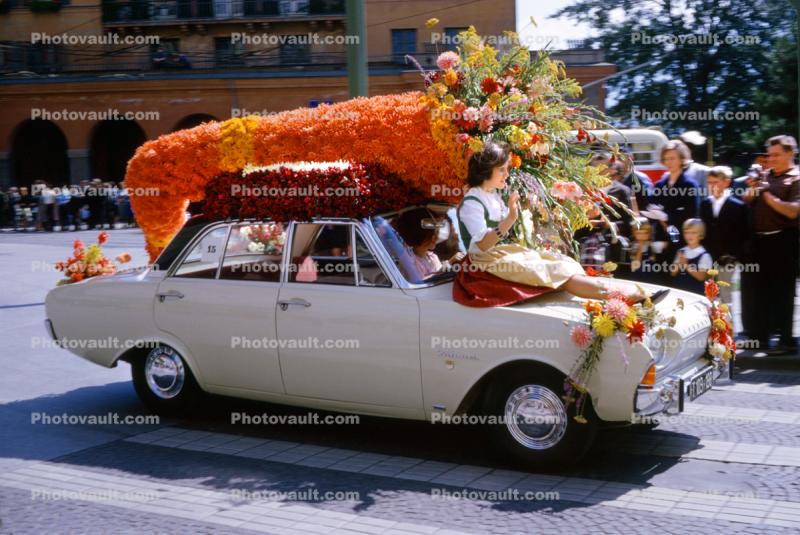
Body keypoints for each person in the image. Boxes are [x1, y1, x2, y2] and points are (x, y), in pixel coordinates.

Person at [456, 142, 668, 303]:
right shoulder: (472, 202)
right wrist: (510, 219)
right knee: (556, 272)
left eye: (507, 168)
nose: (507, 174)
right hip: (484, 264)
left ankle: (627, 294)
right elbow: (483, 245)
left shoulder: (492, 195)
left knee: (562, 262)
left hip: (499, 256)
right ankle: (627, 297)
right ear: (486, 171)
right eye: (502, 169)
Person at [742, 134, 800, 354]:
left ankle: (786, 341)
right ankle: (760, 338)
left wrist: (765, 192)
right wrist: (753, 188)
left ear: (790, 153)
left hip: (784, 239)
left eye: (776, 155)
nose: (771, 159)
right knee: (759, 291)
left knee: (782, 292)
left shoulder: (796, 178)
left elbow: (793, 210)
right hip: (760, 240)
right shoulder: (766, 175)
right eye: (770, 155)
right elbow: (748, 201)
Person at [699, 166, 748, 304]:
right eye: (709, 182)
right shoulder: (705, 204)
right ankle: (714, 325)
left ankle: (729, 324)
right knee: (709, 293)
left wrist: (735, 256)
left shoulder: (738, 206)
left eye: (716, 182)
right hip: (709, 256)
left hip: (728, 258)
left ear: (726, 182)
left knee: (726, 295)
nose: (712, 186)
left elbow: (743, 234)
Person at [393, 207, 464, 281]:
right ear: (420, 235)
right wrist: (449, 263)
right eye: (432, 234)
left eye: (437, 232)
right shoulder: (410, 262)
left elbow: (439, 275)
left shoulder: (432, 256)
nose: (436, 237)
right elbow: (423, 283)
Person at [669, 219, 713, 294]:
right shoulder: (681, 251)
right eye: (686, 233)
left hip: (695, 293)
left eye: (693, 233)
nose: (689, 236)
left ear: (701, 235)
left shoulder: (704, 255)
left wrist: (686, 266)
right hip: (679, 291)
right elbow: (672, 273)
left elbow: (701, 277)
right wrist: (679, 264)